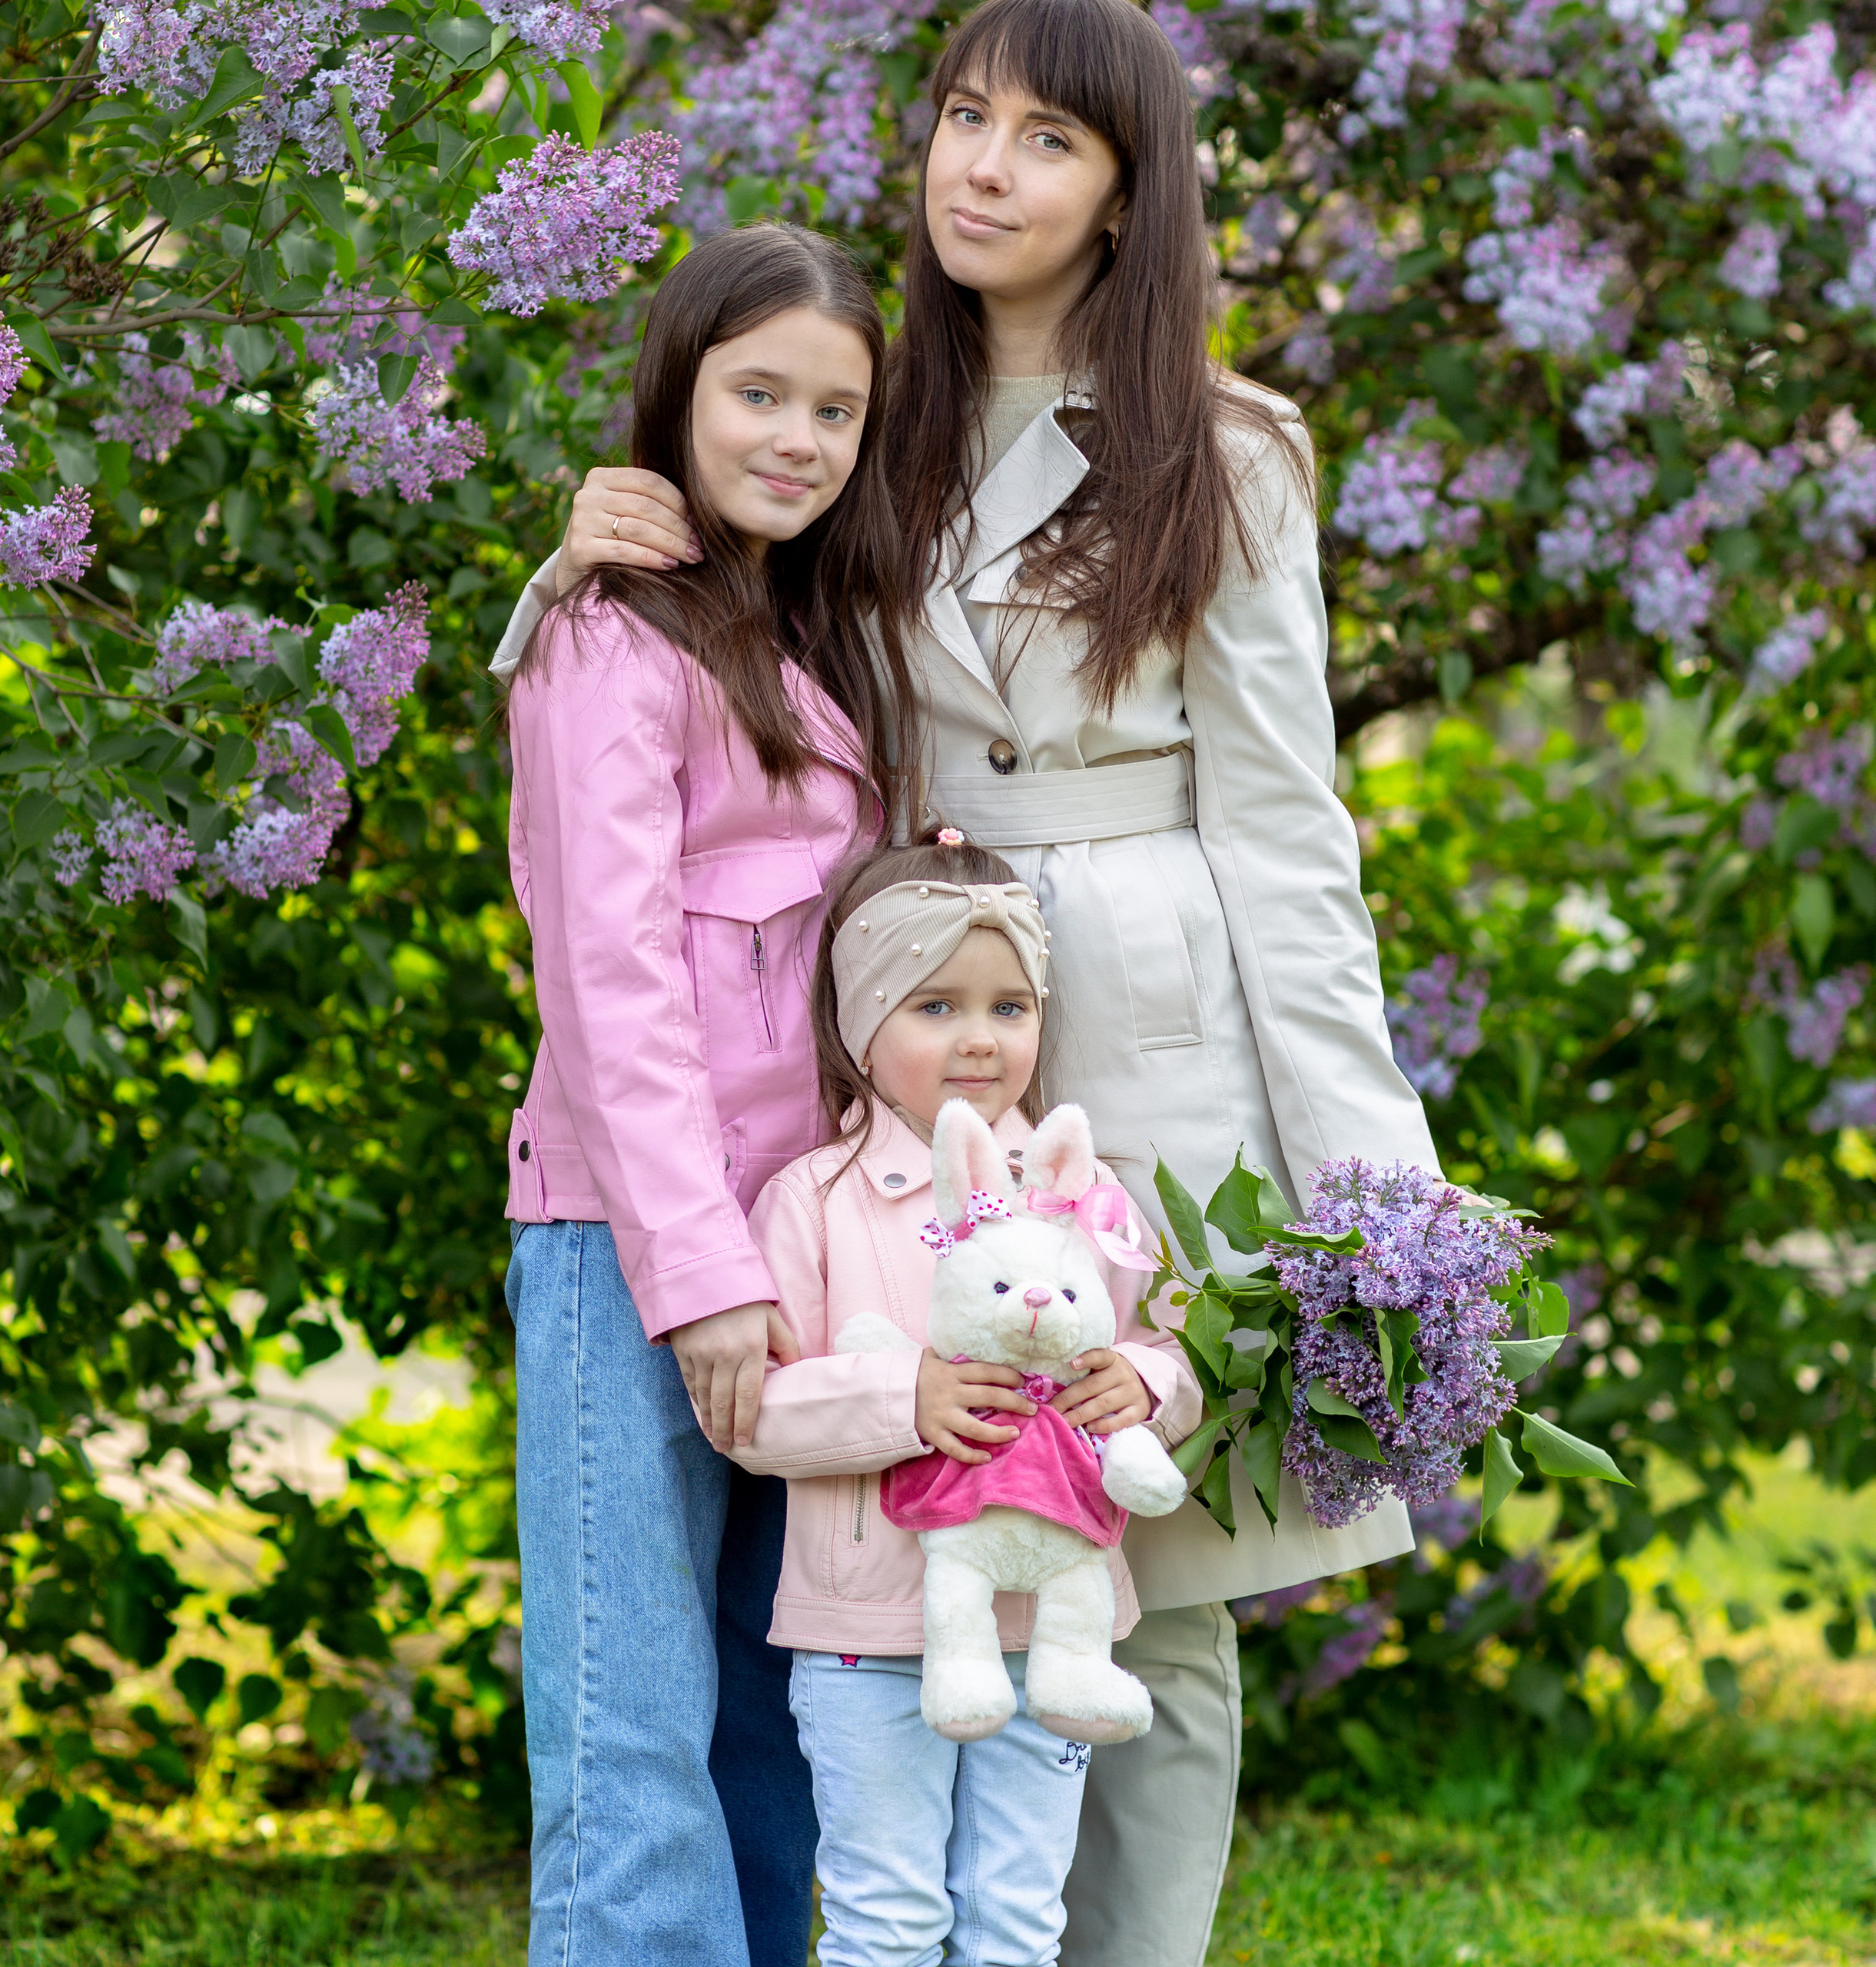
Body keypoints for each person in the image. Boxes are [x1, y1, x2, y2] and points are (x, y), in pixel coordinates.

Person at [493, 1, 1443, 1959]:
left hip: (1147, 1026)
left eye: (1044, 141)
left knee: (1142, 1583)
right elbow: (688, 656)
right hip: (904, 1035)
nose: (981, 168)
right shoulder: (858, 405)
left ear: (1122, 197)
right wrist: (566, 555)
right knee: (857, 1586)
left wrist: (1379, 1196)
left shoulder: (1227, 443)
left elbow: (1288, 834)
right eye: (959, 119)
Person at [498, 221, 918, 1967]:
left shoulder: (816, 640)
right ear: (676, 392)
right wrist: (704, 1279)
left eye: (834, 409)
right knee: (631, 1734)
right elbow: (612, 988)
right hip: (636, 1247)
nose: (796, 439)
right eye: (758, 391)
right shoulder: (610, 639)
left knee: (779, 1724)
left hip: (800, 1248)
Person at [730, 830, 1201, 1967]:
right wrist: (907, 1396)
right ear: (861, 1024)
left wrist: (1141, 1382)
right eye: (935, 1006)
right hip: (866, 1635)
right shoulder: (814, 1201)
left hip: (1052, 1631)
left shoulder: (1084, 1198)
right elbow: (750, 1412)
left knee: (1017, 1919)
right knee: (886, 1919)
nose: (981, 1040)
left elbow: (1169, 1345)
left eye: (1009, 1007)